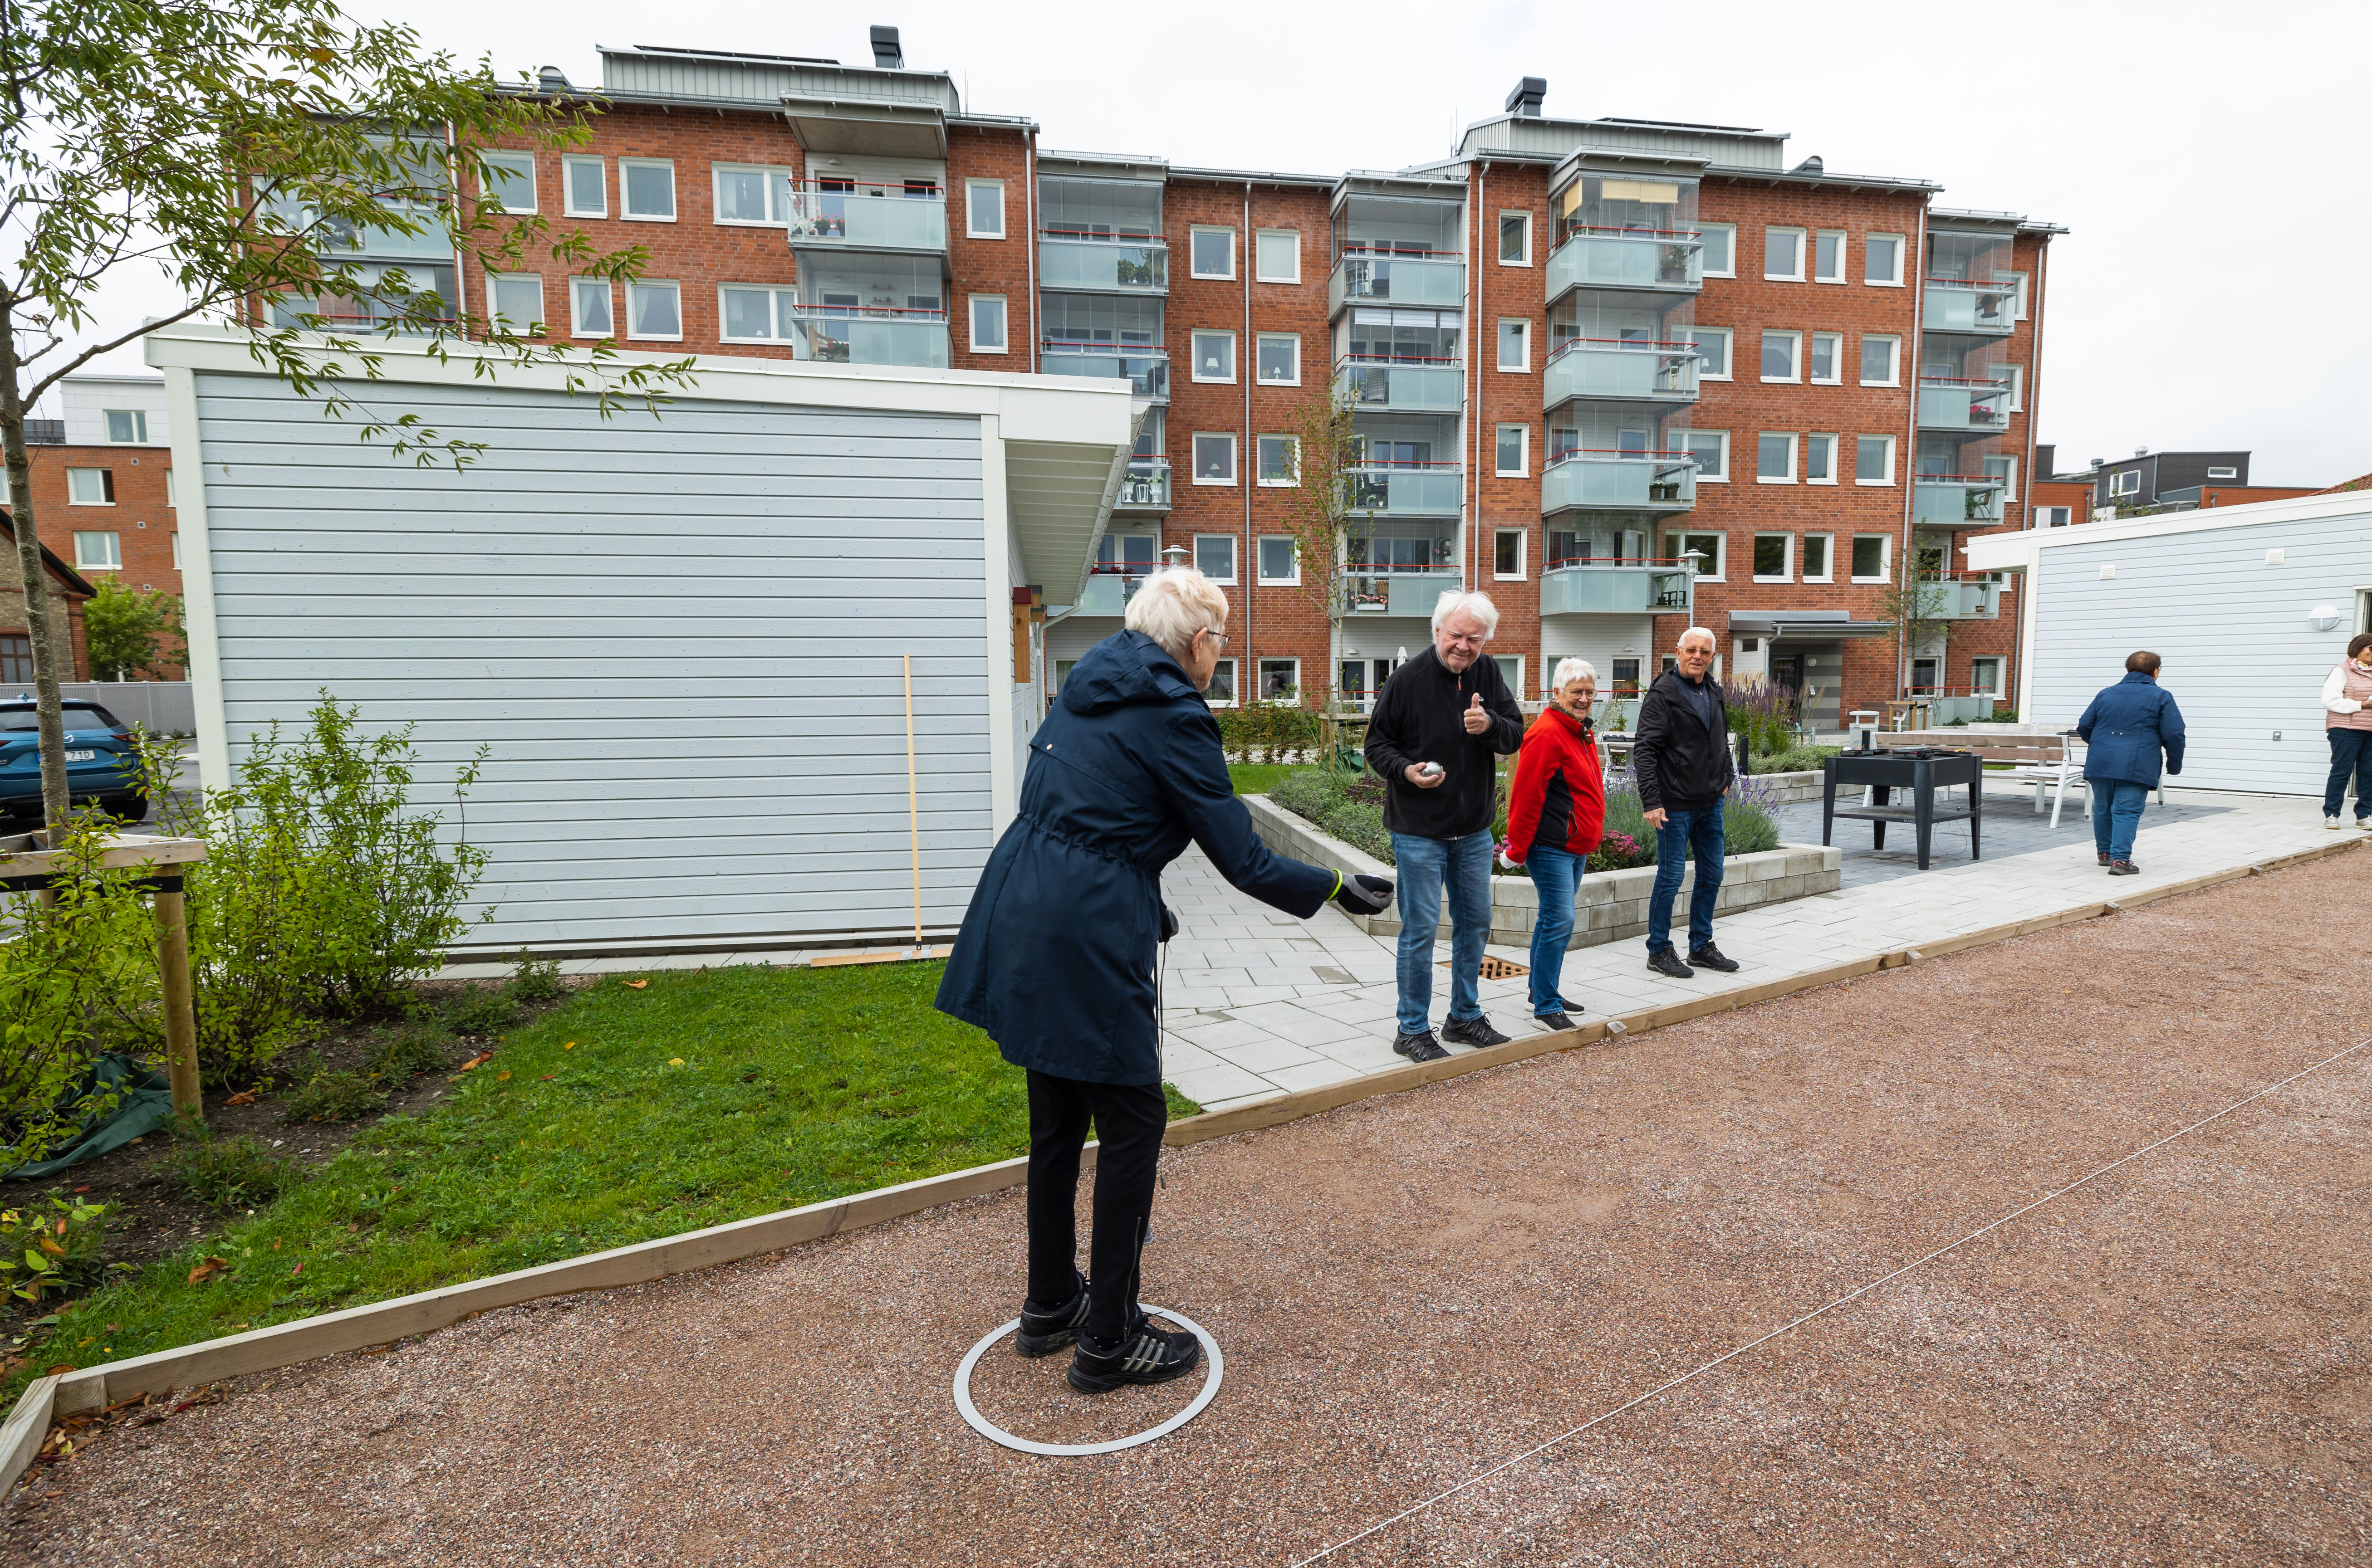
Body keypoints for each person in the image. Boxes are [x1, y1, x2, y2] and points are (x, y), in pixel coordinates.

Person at [936, 568, 1392, 1394]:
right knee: (1134, 1119)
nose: (1222, 650)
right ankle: (1109, 1338)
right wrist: (1332, 889)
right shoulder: (1177, 715)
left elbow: (1093, 800)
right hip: (1085, 923)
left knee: (1056, 1115)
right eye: (1219, 636)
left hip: (1024, 894)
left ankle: (1048, 1304)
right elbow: (1243, 859)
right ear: (1194, 641)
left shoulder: (1090, 682)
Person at [1362, 590, 1524, 1062]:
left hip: (1473, 830)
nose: (1464, 646)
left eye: (1474, 638)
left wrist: (1489, 723)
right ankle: (1411, 1028)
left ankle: (1463, 1015)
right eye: (1456, 635)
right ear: (1437, 632)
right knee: (1420, 929)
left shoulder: (1487, 673)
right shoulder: (1407, 680)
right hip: (1418, 831)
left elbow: (1515, 732)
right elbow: (1376, 746)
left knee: (1474, 923)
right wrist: (1407, 771)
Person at [1501, 657, 1606, 1032]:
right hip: (1551, 847)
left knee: (1552, 918)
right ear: (1557, 692)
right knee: (1560, 919)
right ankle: (1546, 1005)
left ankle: (1540, 990)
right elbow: (1526, 795)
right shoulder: (1547, 732)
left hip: (1573, 844)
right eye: (1577, 691)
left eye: (1589, 692)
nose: (1584, 698)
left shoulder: (1579, 729)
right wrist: (1516, 848)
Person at [1632, 626, 1740, 980]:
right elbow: (1645, 749)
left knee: (1712, 873)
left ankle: (1701, 946)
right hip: (1674, 804)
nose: (1698, 656)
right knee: (1671, 875)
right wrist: (1651, 800)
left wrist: (1727, 778)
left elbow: (1721, 739)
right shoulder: (1663, 694)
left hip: (1711, 802)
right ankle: (1659, 949)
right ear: (1677, 652)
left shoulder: (1714, 690)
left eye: (1704, 652)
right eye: (1691, 650)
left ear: (1712, 656)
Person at [2076, 650, 2186, 875]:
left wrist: (2101, 745)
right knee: (2126, 811)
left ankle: (2105, 854)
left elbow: (2085, 726)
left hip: (2101, 761)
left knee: (2103, 808)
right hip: (2136, 764)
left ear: (2128, 669)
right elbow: (2174, 734)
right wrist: (2174, 765)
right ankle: (2121, 861)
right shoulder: (2161, 697)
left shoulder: (2106, 694)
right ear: (2156, 672)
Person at [2321, 632, 2372, 830]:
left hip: (2370, 729)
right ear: (2357, 648)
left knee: (2368, 773)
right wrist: (2362, 705)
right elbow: (2330, 701)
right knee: (2341, 772)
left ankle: (2364, 816)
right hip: (2345, 729)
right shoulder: (2342, 670)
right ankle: (2332, 815)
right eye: (2371, 648)